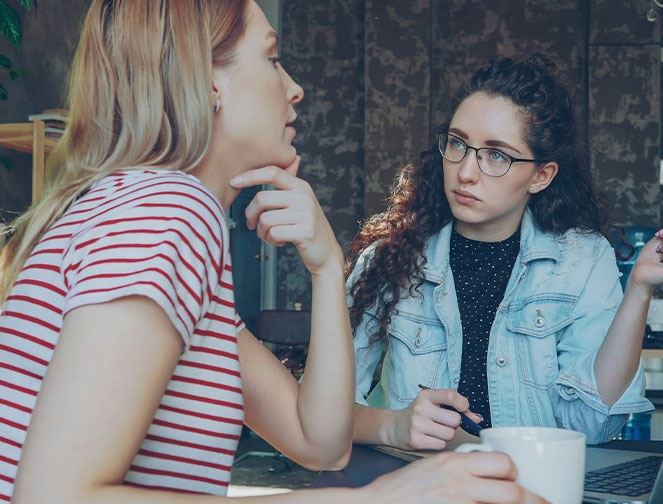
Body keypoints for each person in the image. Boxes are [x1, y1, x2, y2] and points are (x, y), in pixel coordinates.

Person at [0, 1, 547, 503]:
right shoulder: (166, 208)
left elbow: (318, 441)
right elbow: (54, 495)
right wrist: (373, 500)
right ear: (207, 80)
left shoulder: (152, 212)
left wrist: (327, 267)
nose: (294, 88)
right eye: (273, 59)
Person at [347, 54, 663, 451]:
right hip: (422, 486)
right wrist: (396, 424)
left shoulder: (583, 261)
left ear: (541, 176)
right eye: (459, 144)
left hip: (538, 486)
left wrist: (639, 288)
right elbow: (321, 416)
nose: (466, 171)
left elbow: (594, 423)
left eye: (496, 155)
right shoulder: (388, 260)